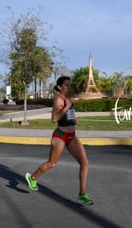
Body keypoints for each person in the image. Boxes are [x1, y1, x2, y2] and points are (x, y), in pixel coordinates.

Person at [25, 76, 93, 205]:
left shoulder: (69, 100)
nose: (69, 87)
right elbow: (54, 119)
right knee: (52, 163)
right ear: (60, 87)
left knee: (84, 163)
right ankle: (32, 177)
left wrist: (74, 120)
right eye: (66, 85)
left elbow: (71, 116)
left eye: (70, 85)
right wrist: (66, 108)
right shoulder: (58, 100)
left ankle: (82, 194)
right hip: (60, 135)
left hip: (72, 135)